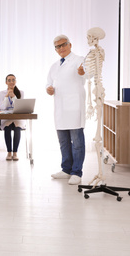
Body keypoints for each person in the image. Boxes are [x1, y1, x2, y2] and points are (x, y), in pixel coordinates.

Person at [46, 34, 86, 185]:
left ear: (70, 45)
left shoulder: (79, 60)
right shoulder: (55, 66)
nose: (61, 48)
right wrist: (48, 89)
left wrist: (83, 72)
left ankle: (77, 172)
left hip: (74, 107)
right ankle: (66, 169)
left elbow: (87, 74)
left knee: (77, 142)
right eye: (58, 46)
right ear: (55, 49)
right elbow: (48, 82)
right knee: (63, 141)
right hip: (60, 108)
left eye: (63, 45)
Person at [0, 74, 25, 161]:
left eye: (13, 80)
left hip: (17, 118)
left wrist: (13, 96)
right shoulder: (2, 93)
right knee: (7, 128)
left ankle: (15, 153)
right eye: (9, 80)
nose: (11, 82)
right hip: (7, 118)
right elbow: (2, 108)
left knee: (17, 129)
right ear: (6, 82)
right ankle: (9, 152)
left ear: (15, 82)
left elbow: (19, 106)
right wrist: (7, 96)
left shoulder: (21, 92)